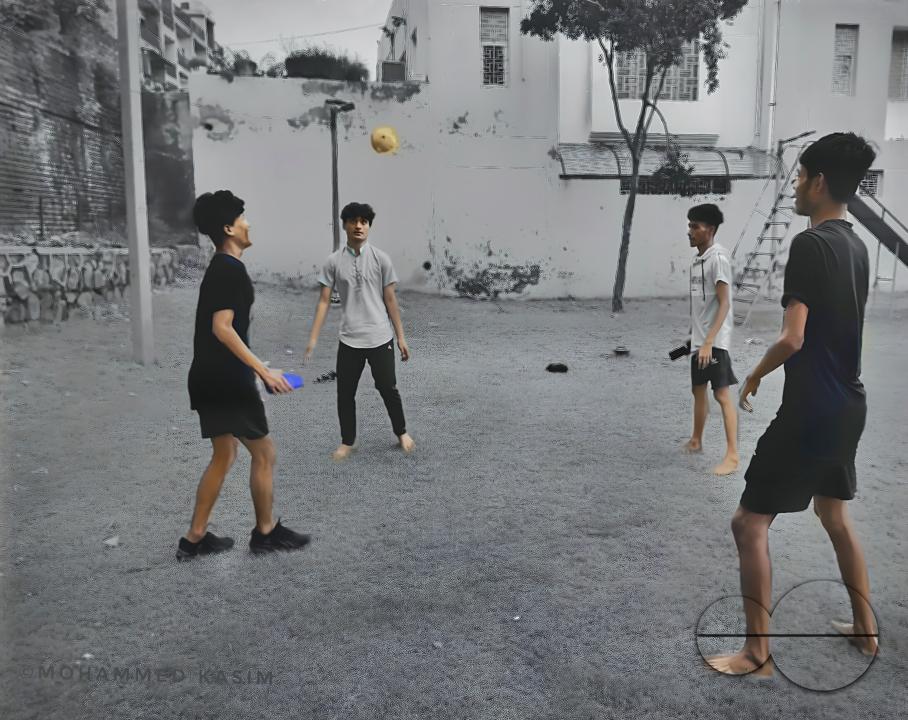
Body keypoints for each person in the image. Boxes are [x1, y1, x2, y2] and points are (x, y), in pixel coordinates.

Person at [707, 133, 879, 675]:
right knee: (833, 514)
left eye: (800, 177)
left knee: (747, 523)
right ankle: (865, 632)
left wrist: (754, 374)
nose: (796, 187)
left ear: (819, 181)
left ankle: (756, 655)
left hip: (812, 409)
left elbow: (793, 336)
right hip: (849, 404)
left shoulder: (811, 244)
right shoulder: (857, 245)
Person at [177, 190, 311, 560]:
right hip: (224, 380)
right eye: (242, 219)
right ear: (228, 228)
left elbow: (221, 333)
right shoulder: (229, 269)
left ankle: (194, 539)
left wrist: (257, 365)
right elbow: (222, 327)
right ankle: (265, 533)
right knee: (264, 453)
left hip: (209, 376)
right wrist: (261, 370)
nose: (248, 223)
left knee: (224, 455)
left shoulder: (221, 267)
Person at [304, 202, 415, 461]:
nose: (358, 226)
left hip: (380, 337)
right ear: (344, 225)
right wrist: (312, 338)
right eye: (353, 221)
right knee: (345, 393)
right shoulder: (333, 262)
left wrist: (400, 337)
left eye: (364, 221)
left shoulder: (381, 259)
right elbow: (323, 301)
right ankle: (347, 441)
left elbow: (390, 300)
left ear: (369, 226)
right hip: (349, 340)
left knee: (388, 387)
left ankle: (402, 432)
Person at [683, 203, 739, 476]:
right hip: (700, 340)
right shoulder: (698, 260)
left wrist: (708, 342)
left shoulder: (718, 258)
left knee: (721, 394)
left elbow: (725, 303)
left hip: (714, 342)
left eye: (696, 226)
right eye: (690, 225)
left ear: (711, 229)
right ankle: (696, 441)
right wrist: (694, 338)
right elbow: (703, 307)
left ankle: (733, 455)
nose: (690, 231)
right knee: (698, 390)